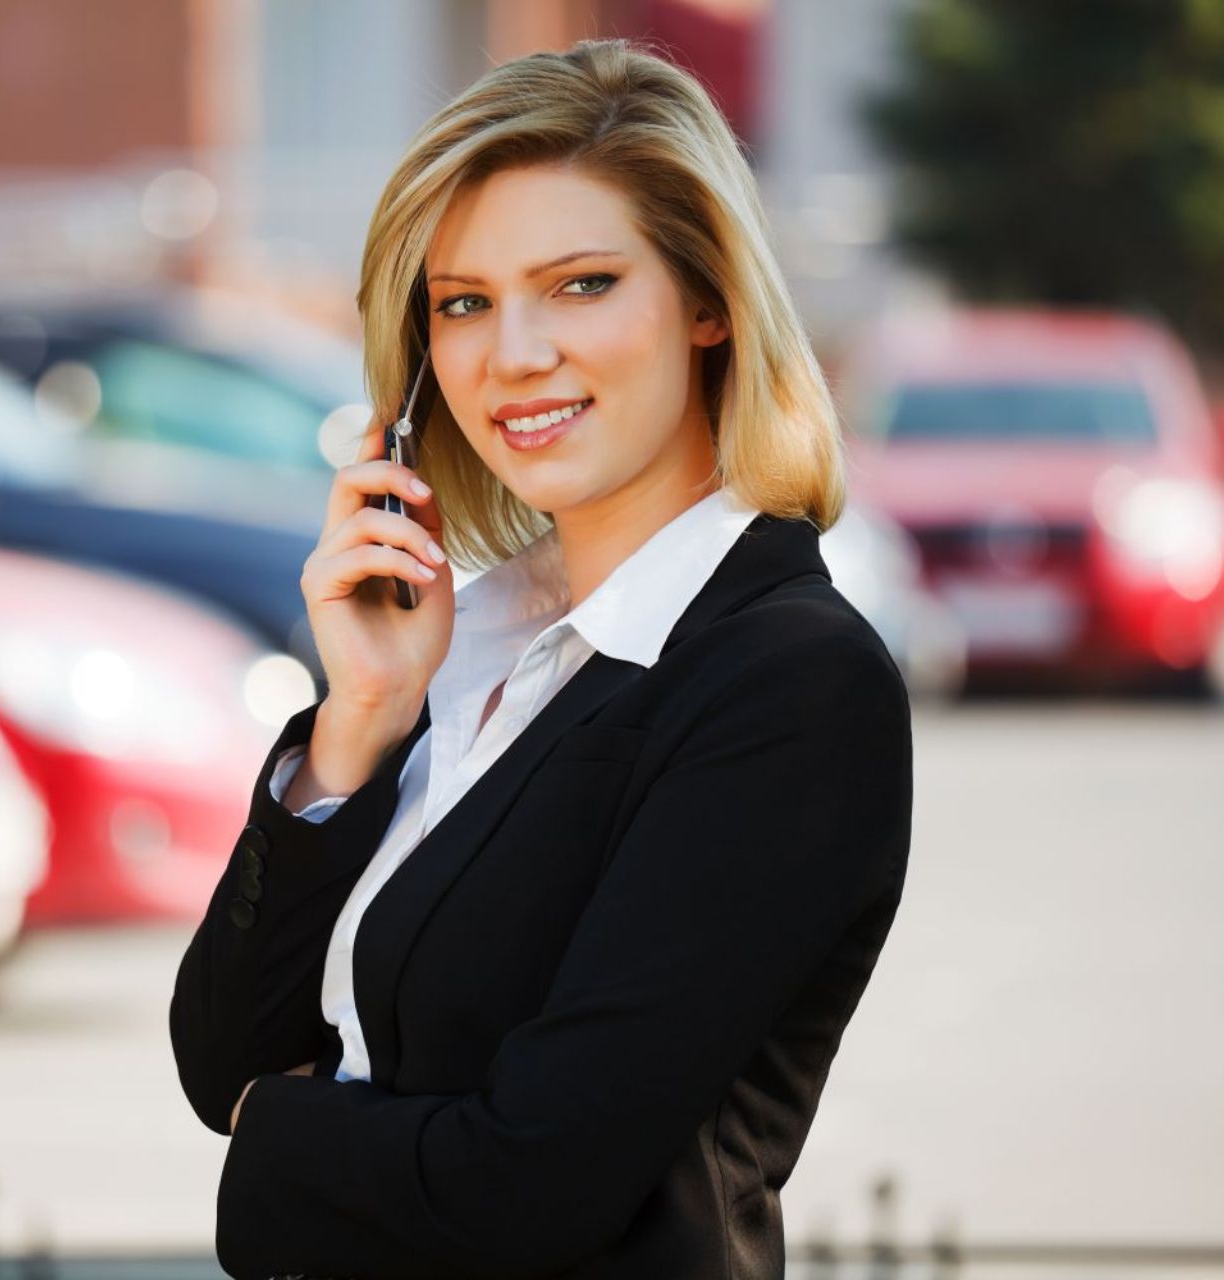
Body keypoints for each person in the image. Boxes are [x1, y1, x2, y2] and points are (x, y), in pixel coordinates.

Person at [170, 36, 913, 1279]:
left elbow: (536, 1176)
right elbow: (221, 1053)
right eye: (462, 302)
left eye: (579, 285)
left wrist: (275, 1137)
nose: (512, 353)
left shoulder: (786, 682)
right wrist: (361, 717)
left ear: (709, 300)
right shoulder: (462, 648)